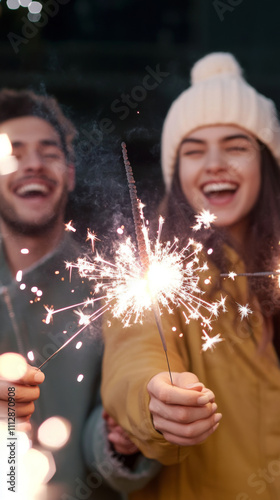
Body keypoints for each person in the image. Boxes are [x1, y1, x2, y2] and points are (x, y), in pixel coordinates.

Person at [101, 52, 280, 500]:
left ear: (267, 161)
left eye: (236, 146)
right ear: (176, 172)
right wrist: (155, 401)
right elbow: (135, 354)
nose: (215, 163)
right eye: (195, 151)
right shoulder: (156, 273)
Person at [0, 89, 160, 500]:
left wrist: (121, 438)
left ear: (70, 174)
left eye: (48, 152)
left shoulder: (115, 288)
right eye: (13, 153)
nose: (33, 164)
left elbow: (109, 430)